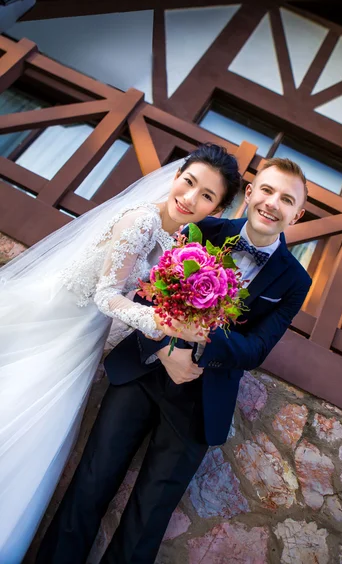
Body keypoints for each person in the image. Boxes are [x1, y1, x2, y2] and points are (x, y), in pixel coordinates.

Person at [37, 157, 312, 564]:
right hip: (143, 369)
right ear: (250, 193)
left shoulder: (295, 281)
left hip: (202, 403)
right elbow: (150, 290)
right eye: (267, 191)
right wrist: (170, 350)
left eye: (286, 199)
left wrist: (205, 336)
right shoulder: (203, 231)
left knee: (149, 517)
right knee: (90, 484)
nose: (273, 203)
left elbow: (255, 350)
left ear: (297, 213)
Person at [0, 143, 241, 564]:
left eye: (206, 196)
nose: (190, 198)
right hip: (55, 325)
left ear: (216, 208)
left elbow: (142, 292)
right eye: (188, 183)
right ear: (176, 176)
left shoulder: (177, 242)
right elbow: (106, 295)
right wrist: (166, 327)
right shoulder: (143, 220)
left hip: (80, 342)